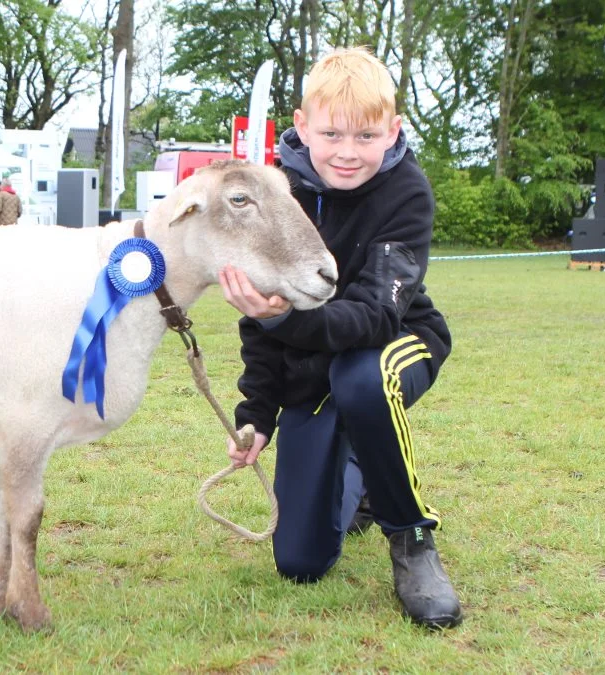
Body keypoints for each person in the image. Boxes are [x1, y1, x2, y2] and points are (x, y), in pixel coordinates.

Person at [219, 47, 461, 630]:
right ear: (301, 127)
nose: (348, 151)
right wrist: (257, 413)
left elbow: (375, 316)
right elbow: (261, 320)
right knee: (299, 562)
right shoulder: (273, 195)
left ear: (393, 130)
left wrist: (285, 321)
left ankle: (411, 538)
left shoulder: (407, 191)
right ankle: (368, 484)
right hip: (311, 364)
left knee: (362, 378)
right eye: (331, 133)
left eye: (366, 136)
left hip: (399, 340)